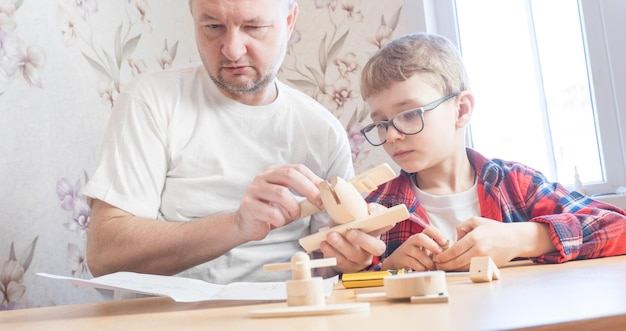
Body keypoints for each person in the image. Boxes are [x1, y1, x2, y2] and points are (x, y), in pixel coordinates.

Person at [81, 0, 387, 288]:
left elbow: (324, 267)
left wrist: (348, 258)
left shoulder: (322, 131)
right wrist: (237, 226)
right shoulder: (151, 100)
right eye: (213, 27)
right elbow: (104, 256)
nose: (232, 50)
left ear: (289, 22)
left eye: (253, 27)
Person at [358, 32, 626, 272]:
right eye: (381, 123)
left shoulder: (517, 185)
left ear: (461, 110)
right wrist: (387, 270)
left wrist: (520, 239)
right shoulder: (378, 207)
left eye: (409, 114)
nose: (391, 135)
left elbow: (618, 227)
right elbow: (342, 284)